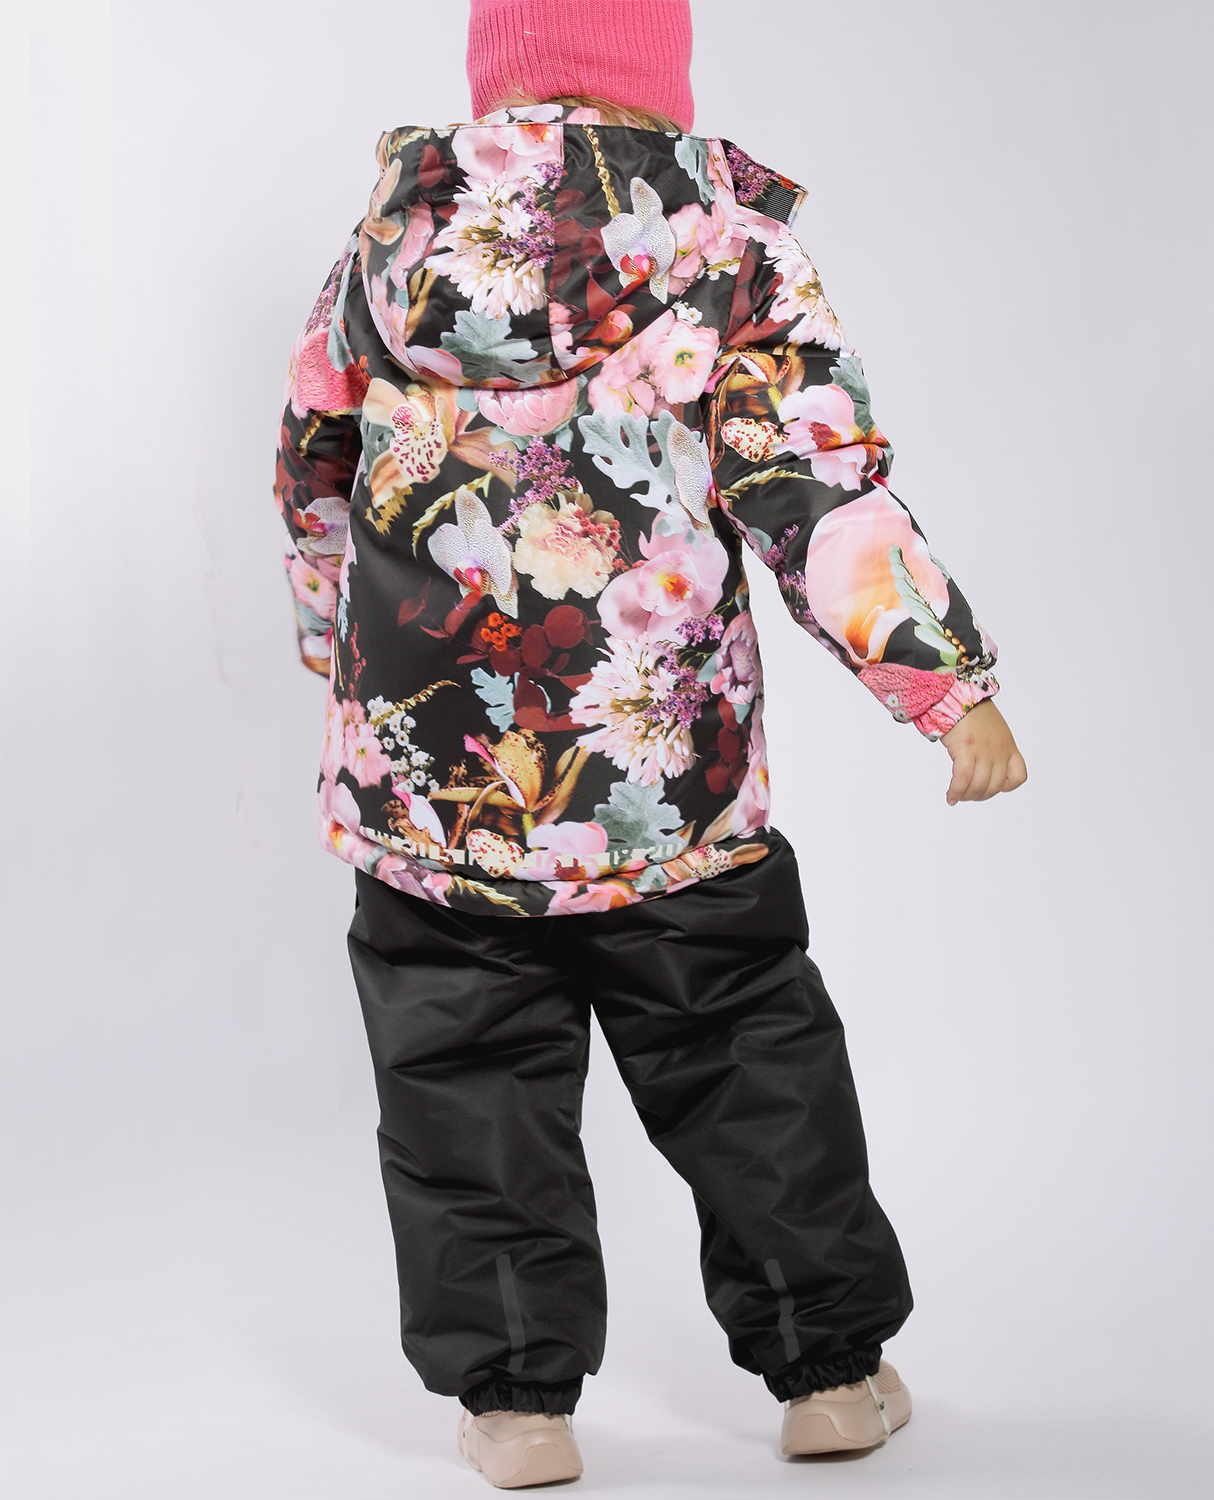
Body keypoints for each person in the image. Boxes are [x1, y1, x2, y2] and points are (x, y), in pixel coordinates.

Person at [271, 0, 1027, 1486]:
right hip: (663, 785)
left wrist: (334, 649)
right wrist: (942, 683)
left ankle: (515, 1405)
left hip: (433, 780)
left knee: (465, 1083)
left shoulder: (386, 241)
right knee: (742, 1053)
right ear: (658, 66)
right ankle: (829, 1374)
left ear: (493, 68)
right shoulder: (726, 242)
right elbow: (810, 483)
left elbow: (314, 466)